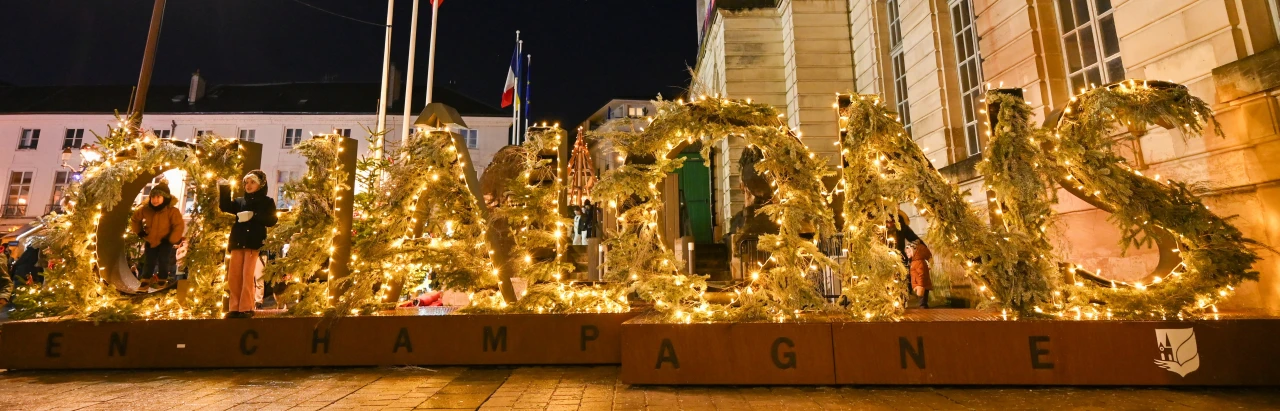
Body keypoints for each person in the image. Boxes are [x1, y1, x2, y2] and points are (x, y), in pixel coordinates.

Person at [219, 170, 278, 319]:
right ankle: (234, 307)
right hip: (237, 241)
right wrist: (225, 187)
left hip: (253, 242)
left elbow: (272, 220)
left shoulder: (267, 201)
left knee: (247, 275)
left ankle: (246, 307)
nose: (248, 185)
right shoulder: (240, 202)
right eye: (246, 182)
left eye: (252, 182)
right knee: (234, 276)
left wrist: (255, 216)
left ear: (260, 184)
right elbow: (225, 206)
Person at [130, 184, 185, 292]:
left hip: (165, 241)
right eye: (153, 197)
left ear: (165, 198)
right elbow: (135, 219)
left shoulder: (172, 211)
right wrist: (139, 231)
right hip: (151, 240)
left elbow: (178, 226)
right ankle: (145, 280)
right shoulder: (146, 210)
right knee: (149, 261)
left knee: (164, 261)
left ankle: (162, 280)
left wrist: (170, 239)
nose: (155, 200)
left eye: (158, 197)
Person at [907, 239, 933, 309]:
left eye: (909, 251)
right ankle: (923, 308)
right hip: (919, 284)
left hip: (921, 285)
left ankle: (923, 311)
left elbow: (922, 274)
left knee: (922, 302)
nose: (907, 254)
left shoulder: (918, 262)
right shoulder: (915, 261)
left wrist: (921, 285)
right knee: (922, 301)